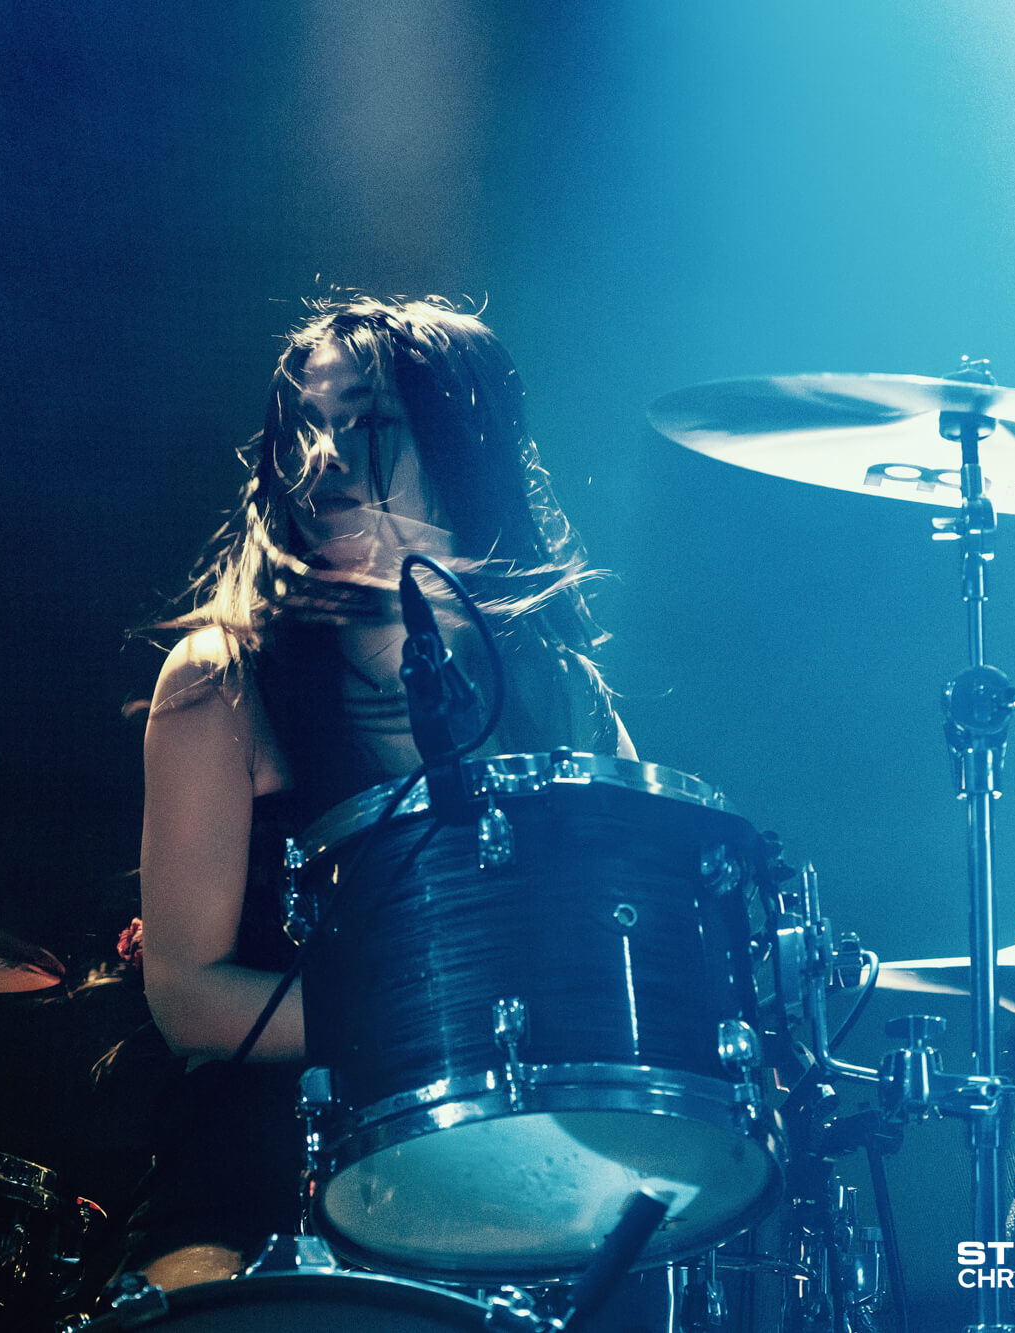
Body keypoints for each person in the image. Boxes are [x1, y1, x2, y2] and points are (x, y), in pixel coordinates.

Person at [126, 294, 636, 1291]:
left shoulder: (553, 683)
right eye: (304, 427)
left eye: (363, 425)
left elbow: (616, 933)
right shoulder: (219, 680)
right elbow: (185, 996)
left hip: (510, 1179)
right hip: (264, 1183)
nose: (321, 457)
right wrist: (429, 1018)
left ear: (457, 442)